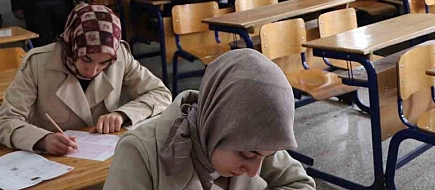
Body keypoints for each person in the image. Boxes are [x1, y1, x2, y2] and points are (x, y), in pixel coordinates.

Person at [103, 48, 315, 190]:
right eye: (248, 154)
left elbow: (300, 184)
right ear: (218, 126)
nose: (253, 172)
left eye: (267, 155)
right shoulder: (140, 153)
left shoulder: (258, 141)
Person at [0, 3, 172, 155]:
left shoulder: (120, 57)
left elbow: (160, 93)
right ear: (71, 44)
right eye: (86, 59)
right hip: (52, 161)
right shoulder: (37, 63)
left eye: (104, 63)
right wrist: (43, 140)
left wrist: (122, 114)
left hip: (104, 157)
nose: (92, 70)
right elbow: (4, 121)